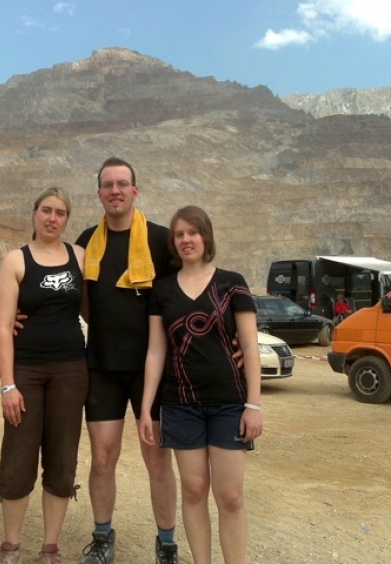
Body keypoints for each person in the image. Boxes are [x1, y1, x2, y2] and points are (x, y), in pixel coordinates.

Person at [139, 205, 263, 564]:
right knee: (193, 491)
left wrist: (253, 404)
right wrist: (147, 408)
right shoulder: (161, 289)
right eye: (179, 234)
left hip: (229, 405)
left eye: (192, 232)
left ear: (206, 236)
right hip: (180, 403)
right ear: (172, 243)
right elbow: (156, 352)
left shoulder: (232, 283)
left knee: (230, 496)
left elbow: (251, 347)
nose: (186, 240)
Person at [75, 156, 180, 564]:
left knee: (157, 458)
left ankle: (167, 544)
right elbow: (70, 297)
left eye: (122, 184)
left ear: (136, 190)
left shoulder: (160, 240)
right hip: (101, 366)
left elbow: (189, 289)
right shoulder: (86, 241)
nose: (115, 191)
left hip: (152, 370)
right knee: (102, 457)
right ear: (99, 193)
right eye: (107, 185)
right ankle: (103, 538)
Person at [0, 187, 88, 564]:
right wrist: (9, 384)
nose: (52, 218)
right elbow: (3, 328)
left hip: (70, 369)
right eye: (46, 210)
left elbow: (95, 310)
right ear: (34, 214)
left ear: (67, 219)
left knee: (62, 457)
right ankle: (11, 545)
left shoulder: (80, 257)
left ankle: (50, 545)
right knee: (18, 456)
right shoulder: (15, 261)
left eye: (60, 212)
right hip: (27, 370)